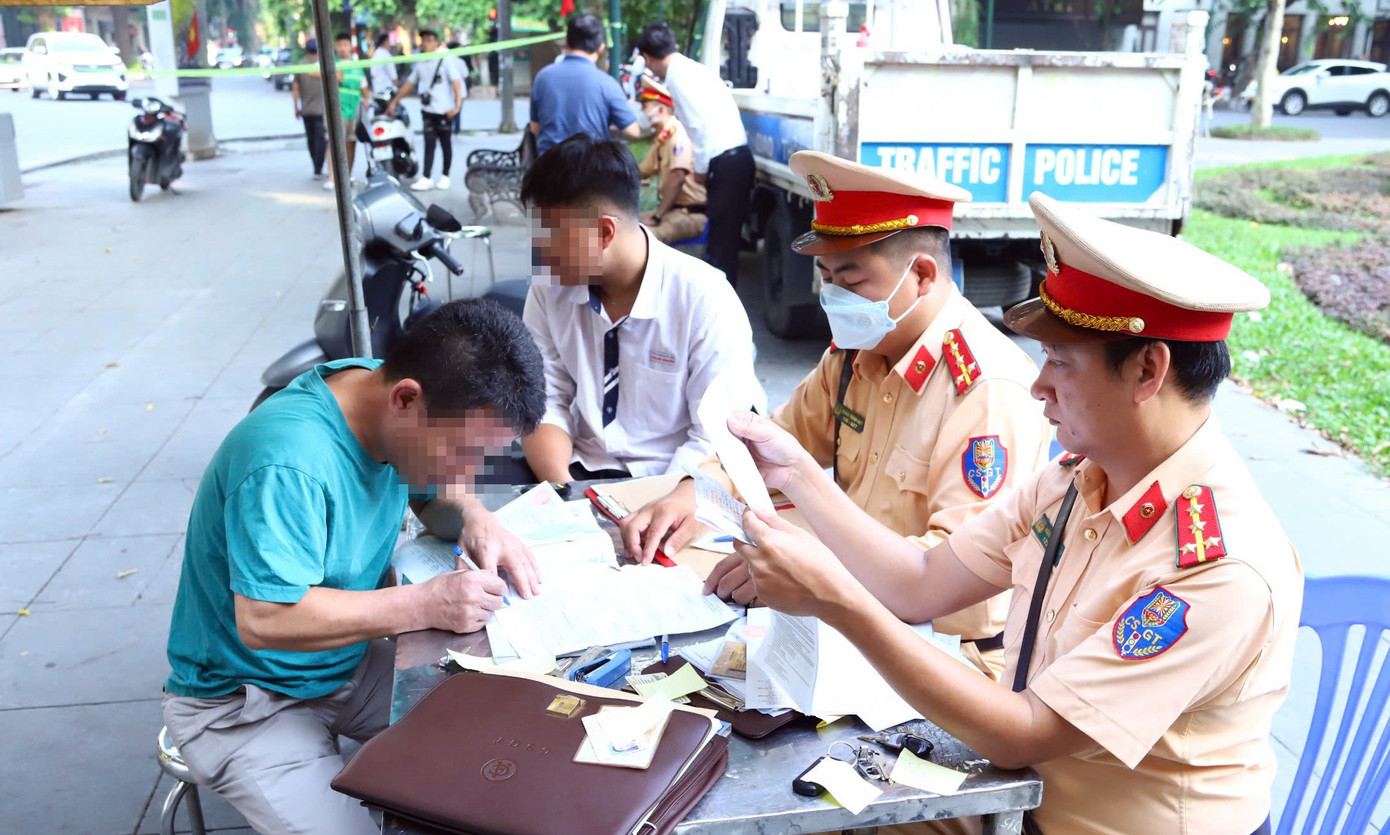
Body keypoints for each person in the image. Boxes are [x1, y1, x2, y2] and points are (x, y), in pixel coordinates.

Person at [722, 193, 1302, 835]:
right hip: (1017, 799)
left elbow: (1023, 734)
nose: (1038, 386)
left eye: (1059, 361)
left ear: (1147, 369)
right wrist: (797, 473)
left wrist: (836, 601)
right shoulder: (1076, 483)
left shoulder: (1218, 565)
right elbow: (920, 582)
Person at [622, 152, 1049, 679]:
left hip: (945, 654)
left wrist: (807, 576)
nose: (833, 299)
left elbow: (946, 582)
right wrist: (694, 494)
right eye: (824, 277)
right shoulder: (854, 356)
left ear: (921, 274)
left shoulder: (986, 389)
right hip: (852, 617)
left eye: (852, 280)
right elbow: (776, 441)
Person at [161, 300, 548, 835]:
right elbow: (267, 620)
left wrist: (475, 514)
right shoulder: (287, 461)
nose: (467, 470)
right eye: (462, 451)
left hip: (342, 664)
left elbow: (433, 496)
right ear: (406, 399)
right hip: (245, 701)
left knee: (519, 740)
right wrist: (426, 602)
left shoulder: (381, 395)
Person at [519, 134, 764, 483]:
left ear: (604, 232)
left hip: (679, 480)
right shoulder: (549, 288)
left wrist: (662, 502)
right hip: (582, 470)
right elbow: (545, 402)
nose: (540, 253)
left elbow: (717, 437)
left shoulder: (704, 298)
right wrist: (566, 494)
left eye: (550, 237)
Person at [636, 22, 754, 287]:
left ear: (648, 58)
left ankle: (720, 311)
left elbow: (699, 127)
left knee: (721, 248)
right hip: (733, 159)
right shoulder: (690, 69)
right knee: (723, 243)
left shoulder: (678, 78)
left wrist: (701, 170)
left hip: (725, 162)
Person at [528, 13, 640, 156]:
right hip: (590, 169)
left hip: (549, 169)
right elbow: (633, 131)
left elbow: (535, 128)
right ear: (601, 47)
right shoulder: (607, 84)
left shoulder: (543, 78)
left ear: (567, 41)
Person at [386, 29, 463, 192]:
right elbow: (409, 85)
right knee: (429, 144)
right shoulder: (420, 63)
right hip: (428, 110)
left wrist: (457, 106)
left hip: (445, 110)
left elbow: (457, 83)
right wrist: (394, 102)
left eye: (430, 40)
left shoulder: (445, 60)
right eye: (424, 40)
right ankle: (426, 177)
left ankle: (445, 175)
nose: (426, 43)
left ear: (436, 42)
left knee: (445, 144)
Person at [635, 74, 707, 245]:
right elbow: (640, 172)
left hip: (688, 214)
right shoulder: (663, 138)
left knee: (642, 239)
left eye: (645, 107)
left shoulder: (678, 136)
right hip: (672, 211)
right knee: (621, 226)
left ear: (660, 110)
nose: (642, 112)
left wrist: (657, 216)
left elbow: (678, 177)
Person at [326, 31, 371, 191]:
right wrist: (332, 75)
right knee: (333, 144)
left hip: (354, 112)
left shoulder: (356, 66)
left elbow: (364, 89)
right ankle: (332, 178)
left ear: (350, 47)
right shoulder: (331, 63)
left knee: (351, 144)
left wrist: (366, 101)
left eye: (345, 44)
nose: (343, 48)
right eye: (339, 45)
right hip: (336, 112)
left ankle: (346, 176)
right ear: (336, 47)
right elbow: (313, 72)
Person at [291, 39, 327, 180]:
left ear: (306, 50)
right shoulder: (324, 65)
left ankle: (316, 167)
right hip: (321, 111)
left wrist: (296, 107)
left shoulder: (300, 66)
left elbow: (295, 89)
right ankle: (318, 168)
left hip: (306, 110)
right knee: (320, 140)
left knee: (311, 140)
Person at [369, 31, 397, 97]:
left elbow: (372, 74)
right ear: (385, 41)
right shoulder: (386, 54)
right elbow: (392, 73)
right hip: (388, 90)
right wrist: (396, 82)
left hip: (377, 89)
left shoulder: (376, 54)